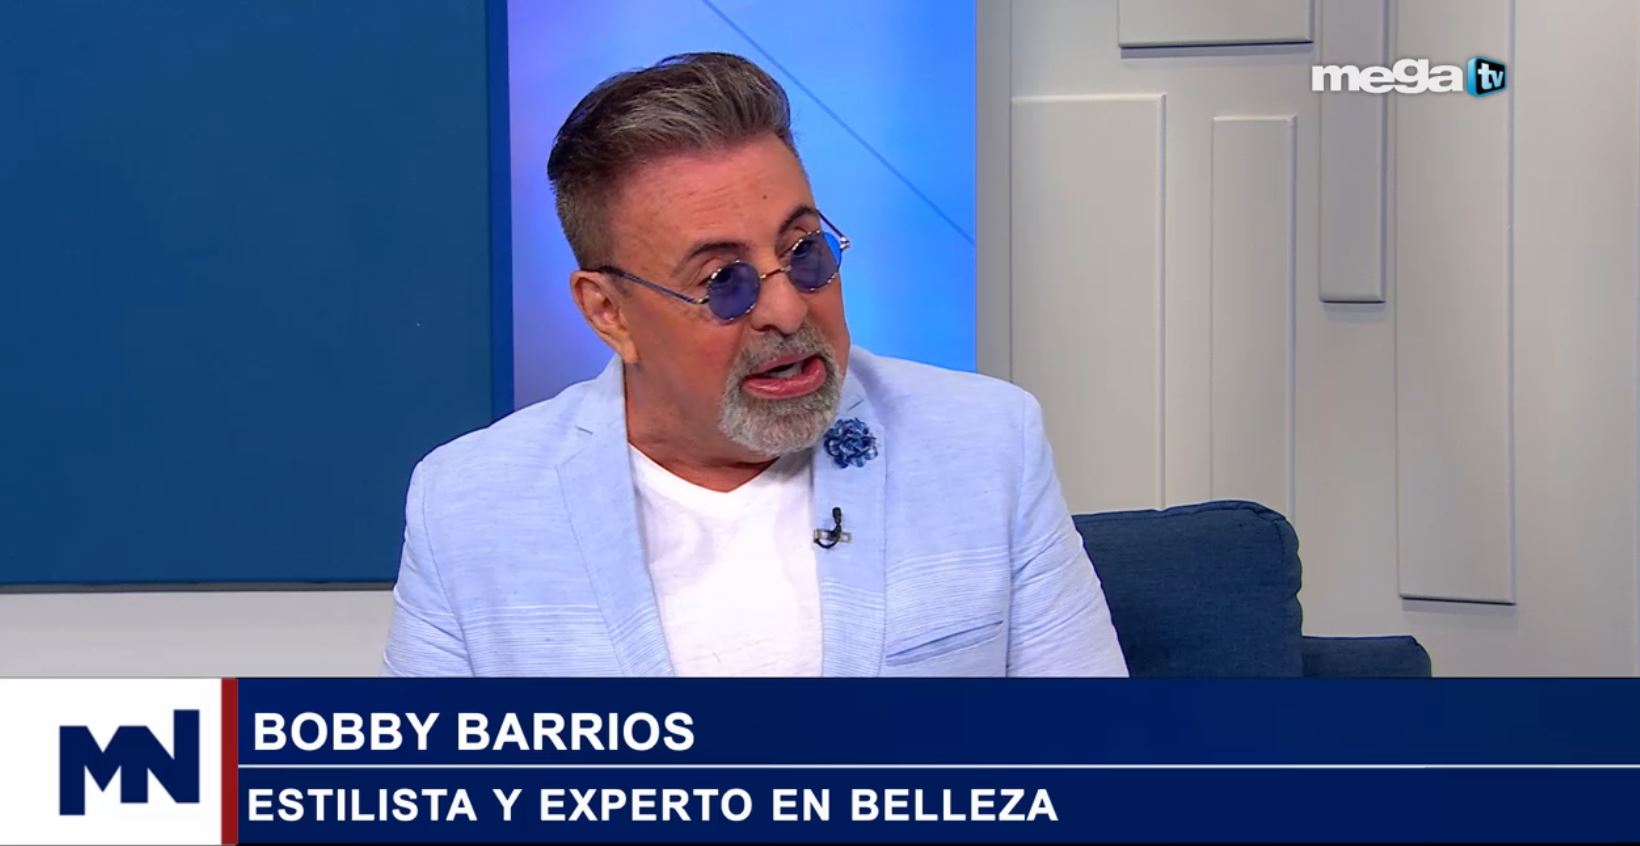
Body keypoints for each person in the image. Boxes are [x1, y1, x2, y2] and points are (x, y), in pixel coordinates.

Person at [381, 52, 1127, 677]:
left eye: (804, 252)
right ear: (609, 313)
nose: (789, 311)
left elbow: (1098, 764)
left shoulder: (986, 444)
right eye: (723, 283)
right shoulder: (470, 508)